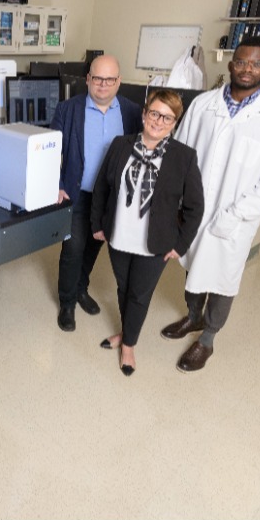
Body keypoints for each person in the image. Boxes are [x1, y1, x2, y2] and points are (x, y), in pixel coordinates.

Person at [161, 36, 260, 372]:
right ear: (231, 63)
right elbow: (180, 153)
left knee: (223, 277)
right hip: (194, 210)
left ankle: (208, 338)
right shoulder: (202, 106)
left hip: (236, 217)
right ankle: (193, 317)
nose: (247, 69)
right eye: (241, 61)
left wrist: (237, 213)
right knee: (192, 265)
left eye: (256, 64)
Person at [91, 89, 204, 376]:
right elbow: (102, 188)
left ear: (174, 123)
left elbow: (195, 207)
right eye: (154, 113)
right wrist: (98, 225)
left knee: (139, 294)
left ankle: (128, 344)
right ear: (144, 114)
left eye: (167, 117)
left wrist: (180, 245)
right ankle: (125, 330)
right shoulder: (120, 145)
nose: (158, 121)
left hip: (155, 244)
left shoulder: (183, 158)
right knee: (123, 288)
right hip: (119, 236)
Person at [50, 54, 142, 332]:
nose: (103, 84)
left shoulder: (131, 111)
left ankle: (80, 289)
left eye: (109, 79)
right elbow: (53, 150)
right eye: (97, 78)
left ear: (119, 81)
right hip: (77, 194)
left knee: (93, 246)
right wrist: (57, 184)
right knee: (73, 248)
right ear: (88, 79)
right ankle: (67, 303)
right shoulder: (68, 109)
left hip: (110, 198)